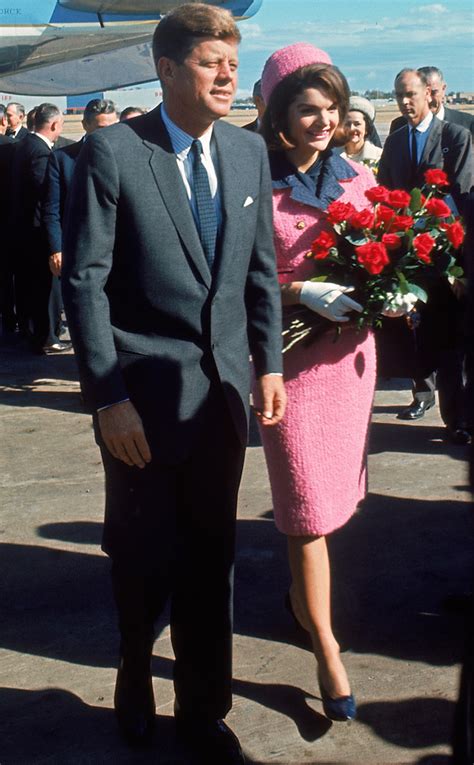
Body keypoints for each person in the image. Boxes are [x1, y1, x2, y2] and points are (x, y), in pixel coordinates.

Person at [62, 4, 285, 762]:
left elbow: (261, 276)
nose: (227, 74)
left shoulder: (250, 155)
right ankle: (134, 670)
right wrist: (107, 397)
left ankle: (203, 709)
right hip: (142, 406)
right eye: (208, 62)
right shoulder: (115, 153)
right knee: (141, 553)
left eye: (231, 61)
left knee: (210, 559)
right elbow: (86, 283)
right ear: (165, 69)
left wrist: (270, 364)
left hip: (220, 403)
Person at [256, 42, 378, 722]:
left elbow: (383, 253)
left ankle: (304, 604)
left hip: (348, 361)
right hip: (289, 368)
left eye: (332, 108)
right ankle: (327, 647)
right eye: (308, 109)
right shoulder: (251, 179)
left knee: (329, 503)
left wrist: (394, 291)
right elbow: (233, 284)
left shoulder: (357, 177)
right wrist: (300, 289)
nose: (323, 121)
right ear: (278, 113)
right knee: (304, 508)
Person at [378, 68, 473, 441]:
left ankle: (459, 420)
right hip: (411, 260)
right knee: (427, 340)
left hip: (450, 259)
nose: (404, 103)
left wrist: (454, 265)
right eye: (399, 95)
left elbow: (461, 198)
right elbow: (386, 195)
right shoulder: (396, 141)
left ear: (428, 95)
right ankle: (438, 406)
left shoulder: (455, 137)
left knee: (454, 343)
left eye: (411, 95)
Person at [42, 99, 118, 350]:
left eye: (112, 126)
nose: (107, 133)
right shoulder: (62, 159)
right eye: (100, 128)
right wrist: (56, 248)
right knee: (87, 321)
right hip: (80, 252)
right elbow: (52, 209)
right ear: (85, 125)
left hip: (119, 251)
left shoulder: (127, 157)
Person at [10, 103, 64, 352]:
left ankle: (32, 332)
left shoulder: (22, 145)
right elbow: (46, 194)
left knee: (28, 284)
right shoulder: (42, 152)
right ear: (53, 125)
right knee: (45, 287)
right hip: (38, 230)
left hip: (21, 229)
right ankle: (48, 337)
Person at [390, 66, 474, 139]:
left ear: (443, 89)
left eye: (433, 92)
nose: (428, 99)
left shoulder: (467, 123)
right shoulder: (399, 126)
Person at [341, 96, 382, 169]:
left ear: (366, 128)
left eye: (357, 124)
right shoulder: (331, 157)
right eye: (347, 124)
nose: (352, 128)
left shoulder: (380, 157)